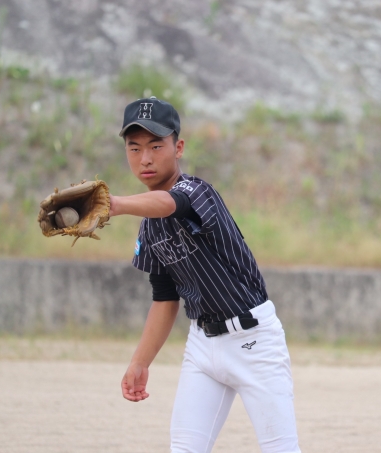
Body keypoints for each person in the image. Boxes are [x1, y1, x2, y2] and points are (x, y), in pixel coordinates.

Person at [108, 96, 301, 453]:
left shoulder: (197, 191)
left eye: (156, 145)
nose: (145, 158)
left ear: (178, 147)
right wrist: (140, 362)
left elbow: (171, 204)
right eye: (134, 148)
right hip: (202, 346)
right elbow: (164, 299)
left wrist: (114, 204)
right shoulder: (148, 228)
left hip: (254, 341)